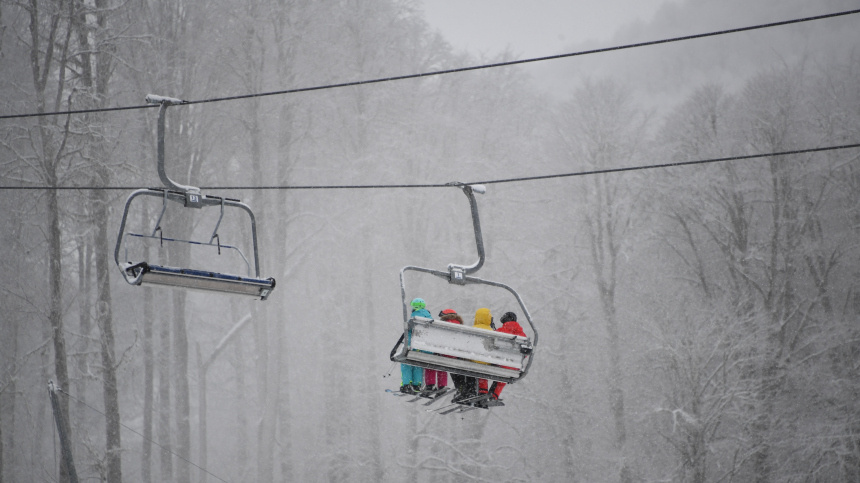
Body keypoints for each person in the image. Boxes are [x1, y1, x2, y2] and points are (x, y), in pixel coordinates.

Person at [487, 311, 527, 402]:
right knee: (504, 376)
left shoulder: (501, 331)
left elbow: (492, 344)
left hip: (500, 363)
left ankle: (482, 391)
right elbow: (525, 353)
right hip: (514, 366)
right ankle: (494, 395)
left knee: (500, 368)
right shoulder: (523, 335)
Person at [400, 297, 430, 394]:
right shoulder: (429, 317)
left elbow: (409, 333)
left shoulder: (415, 317)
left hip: (414, 345)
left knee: (405, 363)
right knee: (417, 365)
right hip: (425, 348)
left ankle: (407, 384)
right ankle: (417, 384)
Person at [432, 309, 462, 395]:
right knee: (454, 370)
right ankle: (460, 389)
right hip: (456, 355)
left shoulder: (443, 325)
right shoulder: (460, 325)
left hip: (444, 353)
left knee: (440, 363)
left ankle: (441, 386)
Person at [472, 307, 494, 399]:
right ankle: (483, 391)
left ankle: (470, 391)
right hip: (486, 360)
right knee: (483, 366)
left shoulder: (473, 329)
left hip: (472, 359)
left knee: (472, 366)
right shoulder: (492, 332)